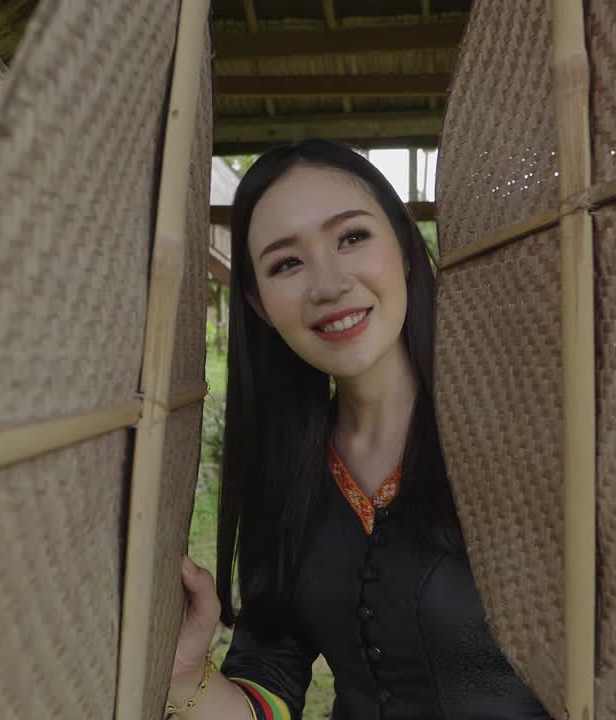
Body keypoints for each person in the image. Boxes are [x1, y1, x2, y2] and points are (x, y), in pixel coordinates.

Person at [166, 139, 550, 719]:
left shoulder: (530, 435)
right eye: (286, 264)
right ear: (259, 303)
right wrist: (185, 674)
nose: (328, 284)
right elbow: (267, 678)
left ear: (404, 245)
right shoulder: (289, 473)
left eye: (351, 238)